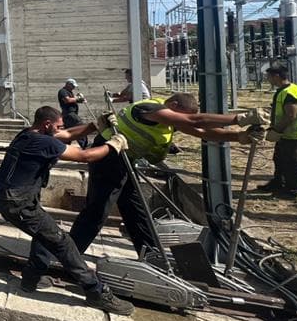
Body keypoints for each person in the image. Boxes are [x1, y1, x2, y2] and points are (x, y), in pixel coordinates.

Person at [31, 93, 267, 266]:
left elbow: (202, 132)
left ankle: (152, 257)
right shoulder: (150, 108)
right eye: (180, 116)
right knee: (97, 210)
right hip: (108, 157)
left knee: (136, 210)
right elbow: (196, 122)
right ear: (173, 106)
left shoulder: (168, 121)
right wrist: (239, 118)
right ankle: (68, 256)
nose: (181, 121)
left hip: (123, 161)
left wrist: (240, 137)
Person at [0, 106, 135, 315]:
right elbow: (85, 156)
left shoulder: (28, 134)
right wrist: (114, 145)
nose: (61, 129)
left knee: (44, 234)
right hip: (17, 202)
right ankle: (96, 292)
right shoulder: (43, 142)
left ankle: (31, 278)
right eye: (57, 126)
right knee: (61, 242)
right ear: (47, 124)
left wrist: (96, 125)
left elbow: (67, 134)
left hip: (9, 196)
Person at [254, 65, 297, 202]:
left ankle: (295, 191)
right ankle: (278, 183)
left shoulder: (289, 93)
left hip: (295, 135)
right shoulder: (289, 89)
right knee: (279, 159)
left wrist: (276, 130)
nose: (267, 79)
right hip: (287, 134)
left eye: (268, 76)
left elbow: (291, 115)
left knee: (293, 163)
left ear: (276, 76)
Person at [58, 78, 88, 148]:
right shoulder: (63, 91)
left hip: (69, 115)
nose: (74, 87)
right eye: (73, 86)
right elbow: (67, 100)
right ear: (68, 84)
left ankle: (63, 147)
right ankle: (84, 146)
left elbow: (73, 99)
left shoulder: (69, 92)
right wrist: (78, 99)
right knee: (80, 129)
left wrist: (79, 98)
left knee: (68, 132)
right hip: (70, 114)